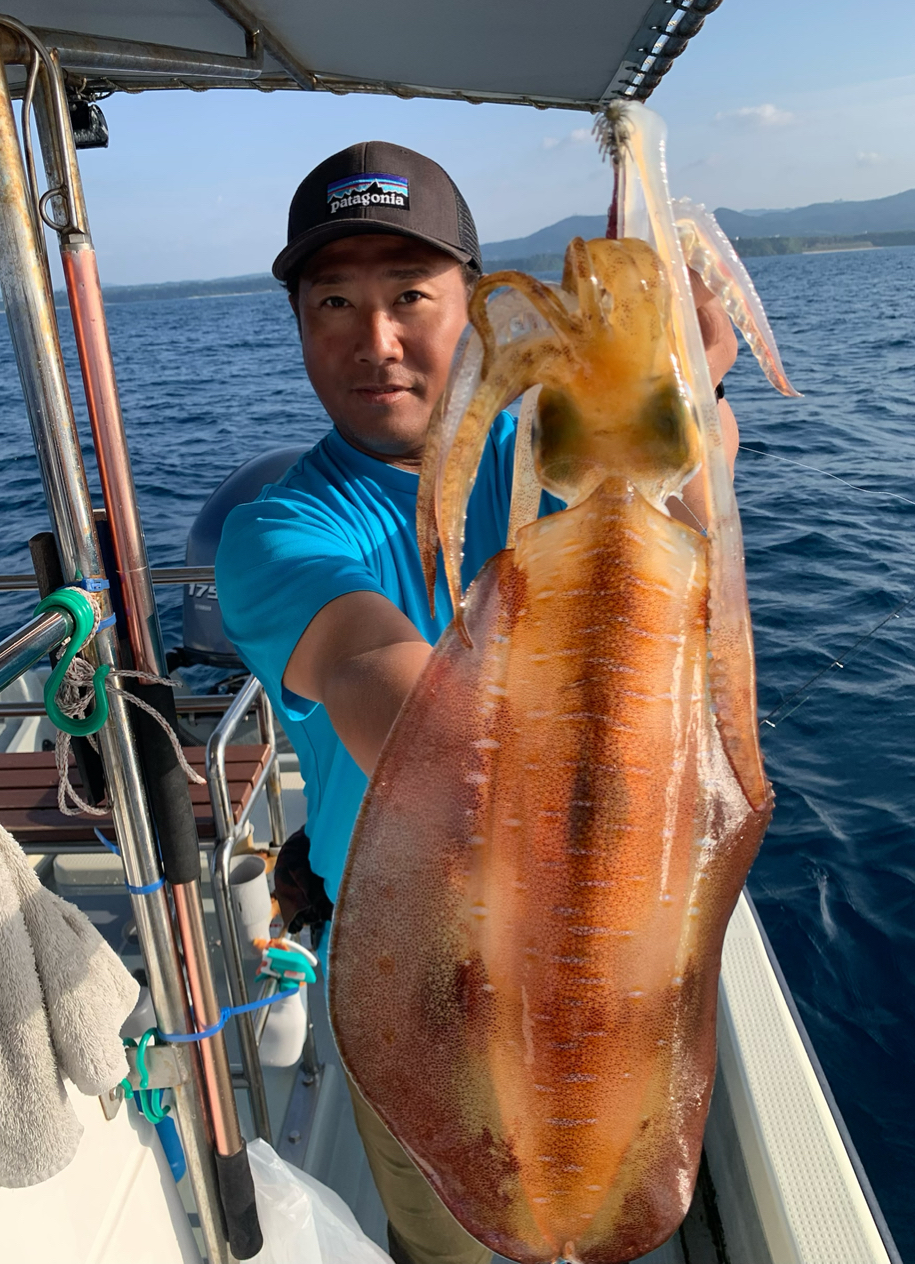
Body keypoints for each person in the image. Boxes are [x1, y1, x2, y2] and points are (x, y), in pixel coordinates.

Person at [215, 140, 739, 1264]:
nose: (377, 341)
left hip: (615, 952)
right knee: (449, 1232)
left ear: (470, 302)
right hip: (423, 986)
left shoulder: (547, 450)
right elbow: (374, 677)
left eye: (410, 295)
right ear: (300, 324)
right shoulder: (282, 531)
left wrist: (686, 393)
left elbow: (683, 513)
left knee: (609, 1182)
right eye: (334, 304)